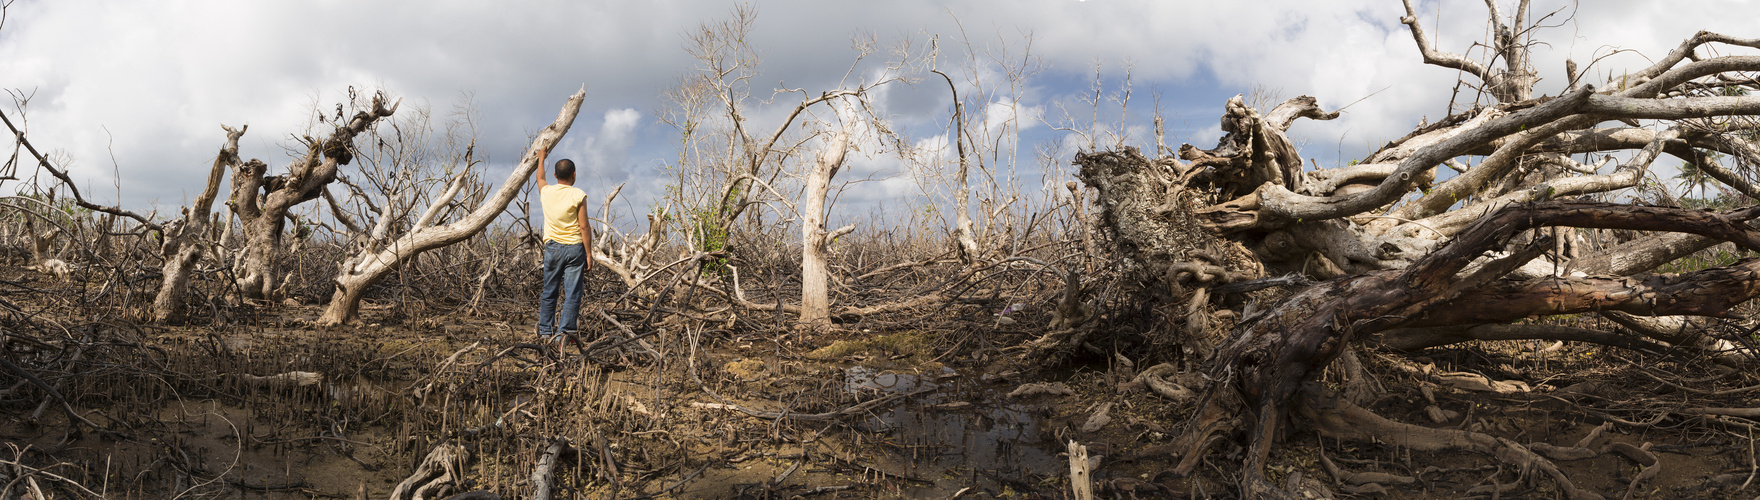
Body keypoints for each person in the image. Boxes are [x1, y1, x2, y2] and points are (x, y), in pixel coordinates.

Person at [533, 148, 594, 346]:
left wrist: (541, 158)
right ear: (574, 175)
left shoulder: (547, 191)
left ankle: (545, 332)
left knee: (549, 290)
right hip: (575, 248)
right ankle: (564, 335)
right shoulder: (578, 194)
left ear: (555, 175)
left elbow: (540, 178)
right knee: (572, 293)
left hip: (553, 248)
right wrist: (589, 253)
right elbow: (584, 226)